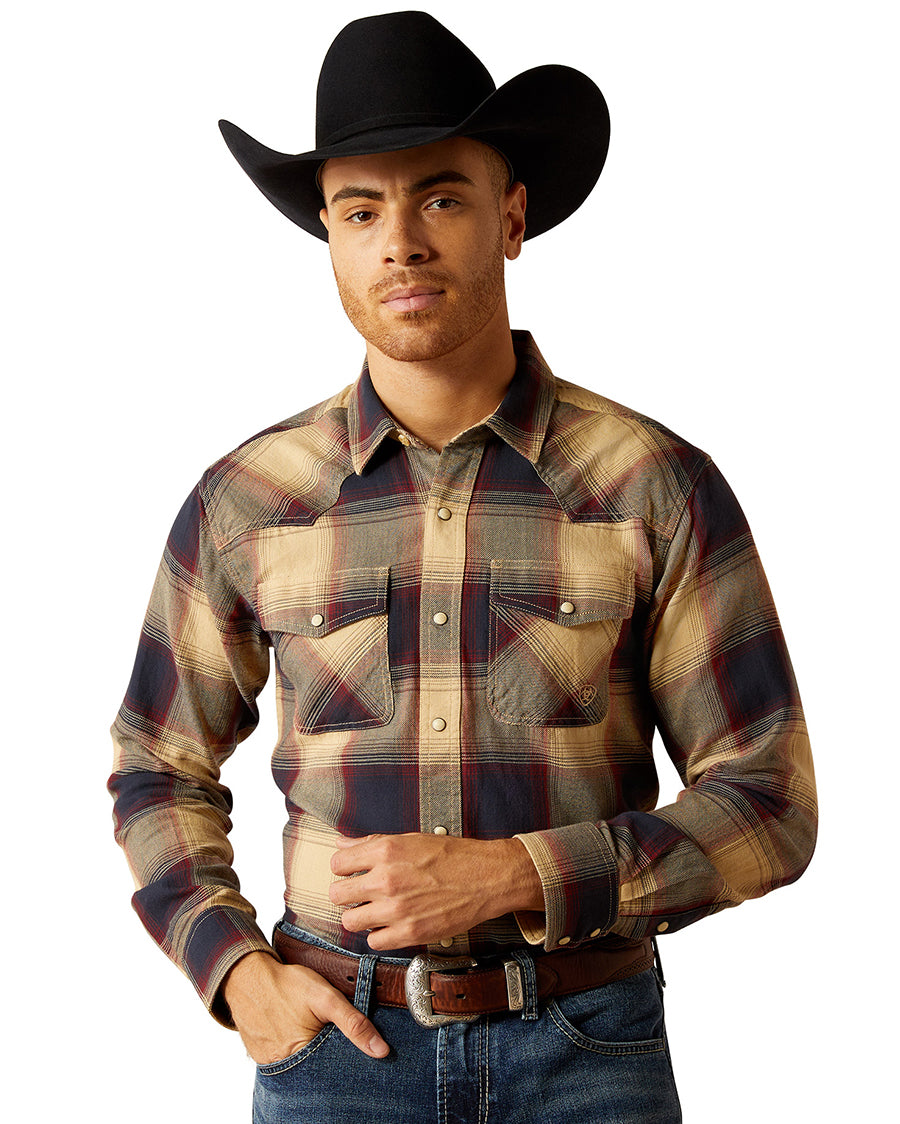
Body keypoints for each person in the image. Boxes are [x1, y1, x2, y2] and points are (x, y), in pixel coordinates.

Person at [109, 12, 817, 1122]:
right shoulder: (247, 499)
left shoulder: (653, 484)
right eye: (361, 210)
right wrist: (235, 971)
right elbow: (158, 763)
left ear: (512, 218)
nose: (400, 242)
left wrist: (520, 875)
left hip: (589, 1052)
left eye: (440, 198)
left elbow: (769, 799)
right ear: (332, 238)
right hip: (335, 1057)